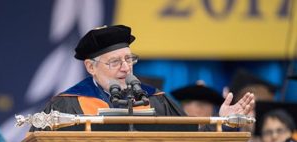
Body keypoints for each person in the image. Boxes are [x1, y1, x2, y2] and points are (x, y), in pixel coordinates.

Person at [30, 25, 254, 131]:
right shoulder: (67, 104)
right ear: (90, 67)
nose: (125, 68)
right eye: (115, 62)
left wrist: (223, 122)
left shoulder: (156, 100)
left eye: (129, 59)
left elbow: (194, 139)